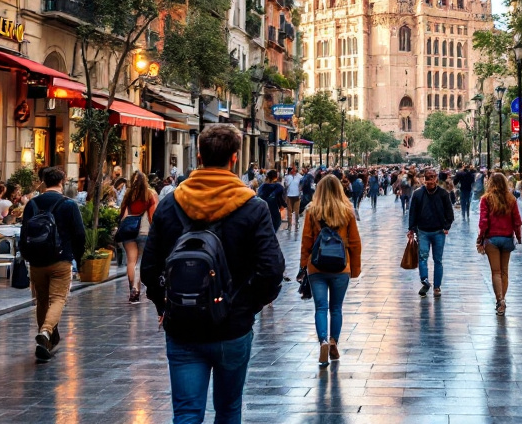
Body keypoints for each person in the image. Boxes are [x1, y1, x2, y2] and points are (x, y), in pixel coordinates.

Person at [142, 124, 284, 424]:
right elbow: (271, 270)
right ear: (234, 158)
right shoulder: (253, 207)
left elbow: (149, 268)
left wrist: (164, 305)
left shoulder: (169, 205)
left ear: (199, 156)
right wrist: (246, 307)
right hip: (232, 327)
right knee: (228, 410)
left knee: (186, 413)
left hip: (182, 325)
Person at [22, 166, 86, 361]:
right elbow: (79, 234)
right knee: (58, 298)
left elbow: (24, 232)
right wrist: (78, 258)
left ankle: (45, 342)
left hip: (37, 261)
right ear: (62, 182)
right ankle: (46, 332)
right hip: (61, 259)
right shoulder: (69, 204)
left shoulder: (32, 204)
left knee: (41, 300)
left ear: (43, 182)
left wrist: (27, 256)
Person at [299, 175, 362, 366]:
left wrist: (303, 265)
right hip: (341, 266)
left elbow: (306, 240)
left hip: (317, 265)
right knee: (336, 308)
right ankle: (334, 341)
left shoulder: (312, 210)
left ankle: (323, 342)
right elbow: (355, 242)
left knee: (320, 307)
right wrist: (355, 268)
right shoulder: (347, 211)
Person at [477, 172, 522, 316]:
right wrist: (519, 237)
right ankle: (502, 299)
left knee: (495, 272)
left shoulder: (486, 199)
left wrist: (480, 238)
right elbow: (517, 221)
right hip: (507, 238)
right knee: (504, 271)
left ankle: (500, 301)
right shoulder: (511, 199)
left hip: (492, 239)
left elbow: (483, 222)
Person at [407, 168, 454, 297]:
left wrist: (446, 226)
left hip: (439, 231)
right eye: (428, 178)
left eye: (432, 177)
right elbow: (413, 212)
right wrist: (411, 228)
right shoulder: (418, 194)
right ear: (424, 179)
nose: (430, 181)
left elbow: (449, 213)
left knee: (437, 260)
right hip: (423, 231)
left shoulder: (443, 194)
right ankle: (425, 281)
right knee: (423, 257)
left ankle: (437, 287)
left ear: (436, 179)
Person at [117, 171, 157, 304]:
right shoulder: (149, 194)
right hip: (143, 230)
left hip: (128, 229)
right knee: (139, 261)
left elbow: (122, 213)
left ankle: (133, 290)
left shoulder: (128, 194)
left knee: (131, 261)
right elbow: (153, 215)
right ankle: (136, 287)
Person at [284, 166, 304, 233]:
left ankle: (294, 224)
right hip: (290, 195)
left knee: (295, 211)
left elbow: (302, 184)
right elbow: (286, 185)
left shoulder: (299, 177)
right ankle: (290, 225)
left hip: (295, 195)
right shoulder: (288, 177)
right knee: (290, 211)